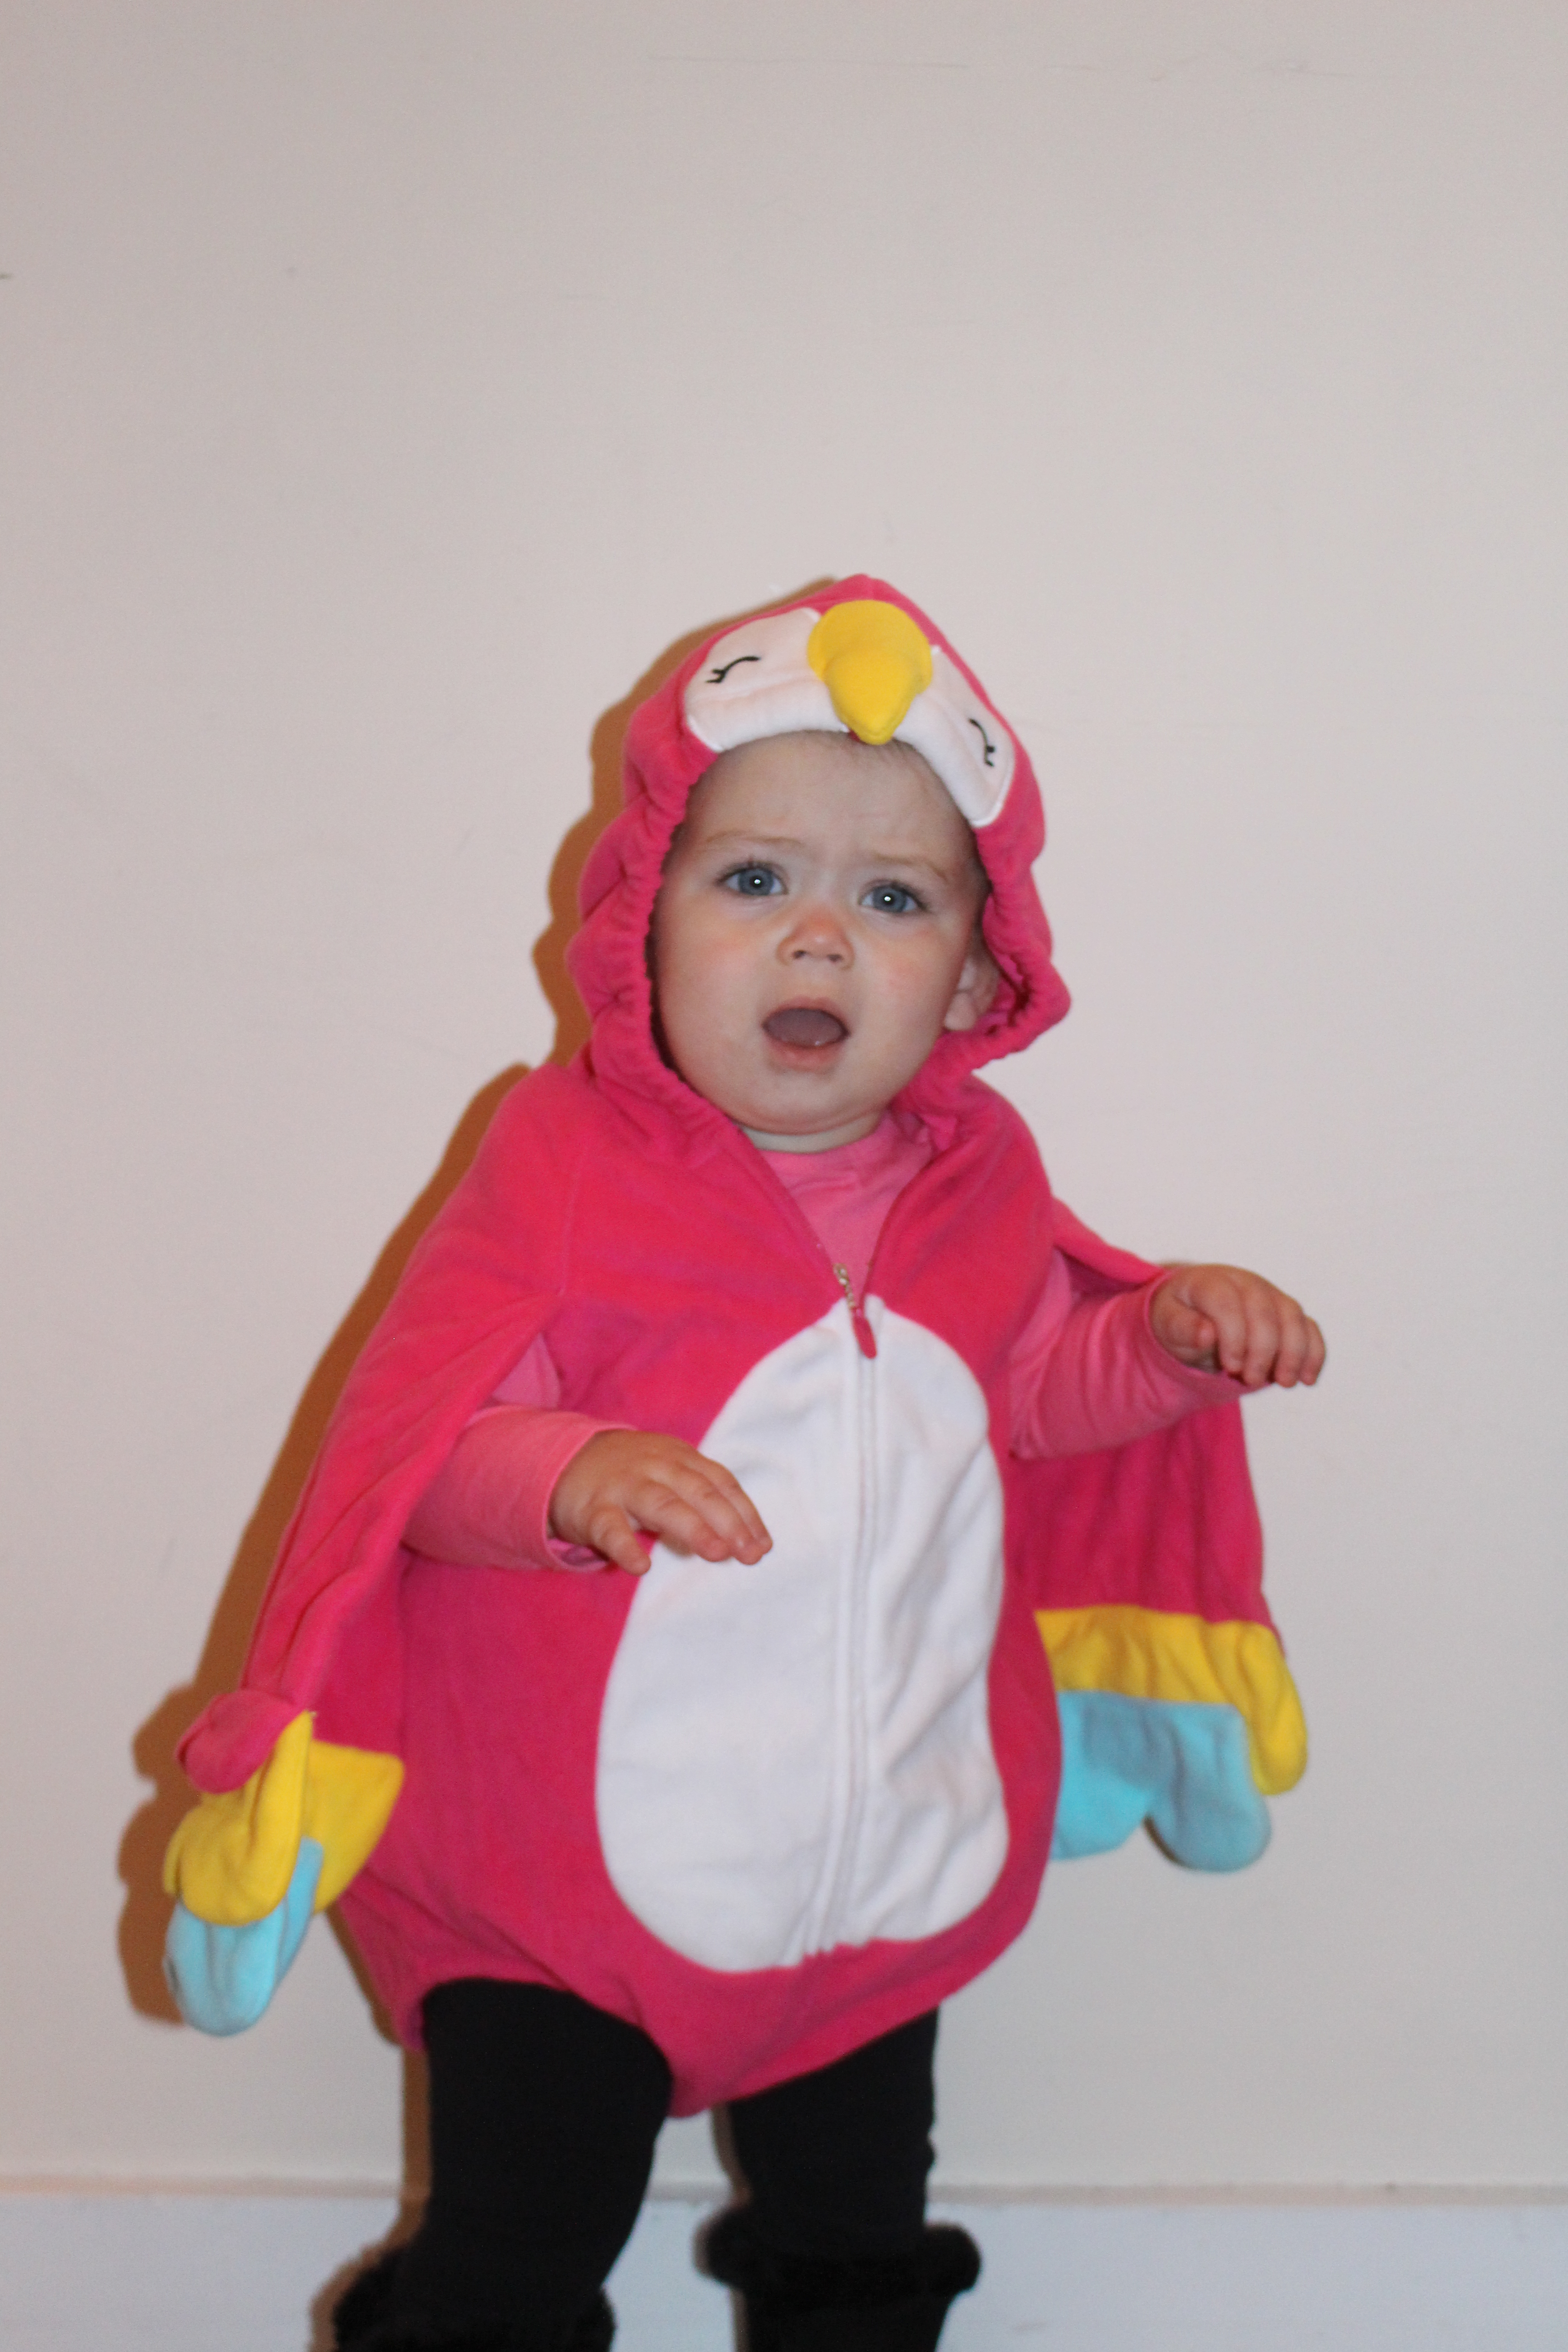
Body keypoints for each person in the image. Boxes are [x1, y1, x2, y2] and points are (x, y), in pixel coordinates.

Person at [162, 583, 1323, 2352]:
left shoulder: (981, 1183)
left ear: (979, 976)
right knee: (523, 2243)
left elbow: (1020, 1396)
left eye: (894, 898)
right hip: (551, 1893)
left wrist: (1159, 1341)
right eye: (756, 879)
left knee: (856, 2230)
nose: (819, 941)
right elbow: (420, 1455)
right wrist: (571, 1477)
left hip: (872, 1869)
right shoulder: (560, 1164)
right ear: (644, 919)